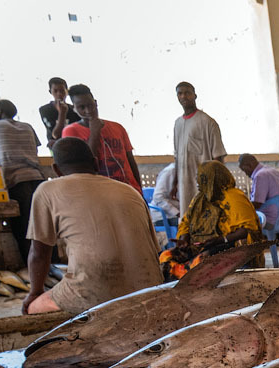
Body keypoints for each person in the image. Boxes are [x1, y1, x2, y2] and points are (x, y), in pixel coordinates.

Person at [23, 138, 162, 315]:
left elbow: (39, 254)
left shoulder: (46, 190)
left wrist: (34, 293)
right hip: (150, 289)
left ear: (56, 169)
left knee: (32, 307)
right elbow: (154, 251)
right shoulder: (129, 191)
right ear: (96, 163)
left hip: (93, 293)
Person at [161, 160, 260, 279]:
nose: (197, 181)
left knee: (200, 262)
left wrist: (221, 240)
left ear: (214, 178)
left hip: (229, 246)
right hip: (201, 246)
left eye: (202, 177)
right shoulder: (199, 199)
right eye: (197, 177)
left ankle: (186, 282)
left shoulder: (234, 197)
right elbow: (186, 223)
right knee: (165, 256)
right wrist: (184, 240)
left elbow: (248, 230)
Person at [0, 99, 46, 263]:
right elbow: (35, 148)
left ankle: (32, 267)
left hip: (16, 179)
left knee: (24, 226)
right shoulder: (27, 126)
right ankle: (51, 265)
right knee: (43, 224)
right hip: (38, 177)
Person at [61, 84, 141, 192]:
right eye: (82, 107)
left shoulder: (117, 127)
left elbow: (130, 161)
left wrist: (139, 189)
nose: (88, 110)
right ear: (74, 109)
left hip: (128, 189)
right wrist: (94, 132)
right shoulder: (71, 131)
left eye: (90, 105)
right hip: (100, 193)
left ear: (96, 103)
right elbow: (85, 165)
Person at [173, 81, 226, 215]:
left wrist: (215, 186)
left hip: (204, 185)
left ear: (195, 96)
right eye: (180, 93)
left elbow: (218, 156)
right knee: (188, 218)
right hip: (184, 185)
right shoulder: (178, 124)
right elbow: (177, 157)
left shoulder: (208, 122)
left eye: (187, 93)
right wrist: (174, 183)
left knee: (206, 219)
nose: (183, 96)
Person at [238, 153, 279, 234]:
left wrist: (242, 207)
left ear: (250, 165)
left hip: (270, 220)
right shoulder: (273, 171)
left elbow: (257, 203)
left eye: (245, 170)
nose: (246, 174)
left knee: (241, 220)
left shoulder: (260, 176)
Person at [38, 77, 81, 149]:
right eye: (55, 91)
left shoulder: (74, 109)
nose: (59, 94)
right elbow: (56, 135)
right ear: (50, 91)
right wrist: (62, 113)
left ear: (67, 92)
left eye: (62, 91)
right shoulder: (45, 110)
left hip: (74, 146)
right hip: (57, 148)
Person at [151, 162, 181, 227]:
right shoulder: (170, 172)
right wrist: (177, 213)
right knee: (189, 223)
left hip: (177, 213)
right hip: (163, 216)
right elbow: (158, 197)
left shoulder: (187, 171)